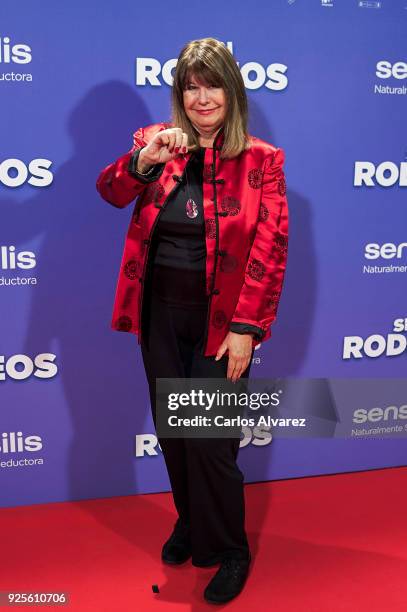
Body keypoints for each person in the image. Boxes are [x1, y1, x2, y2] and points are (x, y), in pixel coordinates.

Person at [96, 37, 289, 605]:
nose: (202, 97)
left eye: (213, 84)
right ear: (181, 94)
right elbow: (110, 192)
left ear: (233, 91)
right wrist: (143, 161)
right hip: (159, 315)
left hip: (221, 322)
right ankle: (190, 523)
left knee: (211, 442)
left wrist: (245, 329)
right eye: (191, 86)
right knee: (176, 436)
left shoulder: (262, 159)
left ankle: (231, 549)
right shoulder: (156, 143)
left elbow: (270, 249)